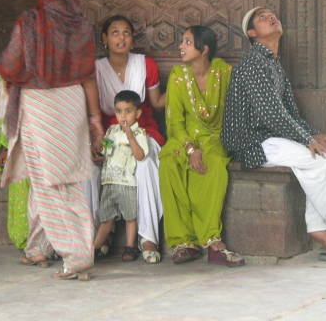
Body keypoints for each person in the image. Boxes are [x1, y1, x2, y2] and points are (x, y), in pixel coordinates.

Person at [221, 7, 326, 262]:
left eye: (271, 14)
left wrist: (316, 137)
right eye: (262, 17)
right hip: (252, 143)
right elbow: (271, 114)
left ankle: (322, 231)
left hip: (272, 139)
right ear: (252, 33)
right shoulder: (254, 61)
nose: (271, 17)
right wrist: (307, 140)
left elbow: (289, 112)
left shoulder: (274, 64)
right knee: (320, 161)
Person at [0, 0, 104, 280]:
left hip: (40, 104)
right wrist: (95, 119)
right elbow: (88, 77)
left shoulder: (30, 21)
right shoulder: (81, 26)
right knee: (58, 178)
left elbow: (9, 66)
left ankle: (78, 254)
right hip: (71, 103)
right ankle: (38, 247)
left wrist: (9, 77)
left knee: (50, 183)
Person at [158, 25, 245, 267]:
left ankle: (211, 239)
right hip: (184, 138)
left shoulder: (224, 72)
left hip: (217, 137)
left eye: (187, 42)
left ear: (204, 49)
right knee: (168, 162)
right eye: (182, 41)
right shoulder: (177, 75)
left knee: (214, 163)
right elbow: (175, 121)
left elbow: (234, 113)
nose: (180, 47)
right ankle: (184, 242)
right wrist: (189, 149)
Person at [88, 15, 165, 264]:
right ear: (104, 39)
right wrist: (97, 145)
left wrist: (183, 86)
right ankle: (99, 235)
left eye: (126, 33)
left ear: (133, 39)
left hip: (143, 134)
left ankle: (148, 237)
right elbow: (94, 115)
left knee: (144, 166)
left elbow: (156, 104)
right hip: (110, 138)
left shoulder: (146, 65)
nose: (121, 38)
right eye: (114, 33)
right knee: (90, 169)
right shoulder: (96, 70)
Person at [93, 90, 150, 262]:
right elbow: (105, 149)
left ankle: (130, 246)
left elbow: (140, 155)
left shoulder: (139, 133)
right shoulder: (111, 130)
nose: (123, 115)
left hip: (127, 183)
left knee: (130, 217)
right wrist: (99, 152)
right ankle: (94, 249)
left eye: (128, 111)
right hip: (109, 181)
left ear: (138, 113)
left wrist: (130, 136)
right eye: (119, 111)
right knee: (106, 217)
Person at [0, 76, 30, 252]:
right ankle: (27, 242)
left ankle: (47, 244)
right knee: (22, 189)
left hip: (43, 136)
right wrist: (3, 146)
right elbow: (3, 107)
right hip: (17, 141)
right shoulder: (9, 69)